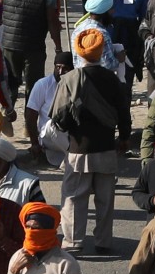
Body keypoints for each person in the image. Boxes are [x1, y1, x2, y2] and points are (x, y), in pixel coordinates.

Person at [49, 28, 134, 253]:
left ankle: (74, 241)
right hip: (106, 146)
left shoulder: (69, 79)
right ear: (100, 51)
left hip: (78, 149)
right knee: (105, 200)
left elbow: (58, 118)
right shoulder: (112, 79)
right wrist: (124, 137)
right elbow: (124, 111)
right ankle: (103, 241)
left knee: (74, 199)